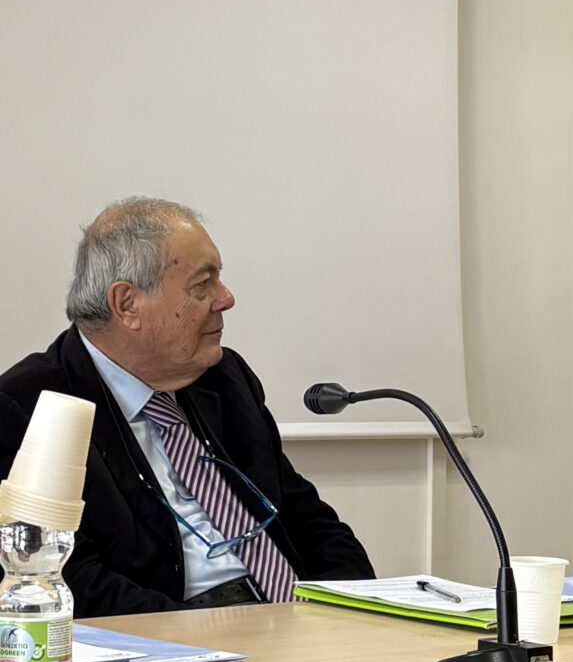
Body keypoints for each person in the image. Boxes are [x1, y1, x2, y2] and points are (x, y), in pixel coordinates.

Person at [0, 197, 374, 617]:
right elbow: (68, 580)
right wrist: (204, 636)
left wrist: (354, 607)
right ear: (127, 304)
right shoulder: (27, 407)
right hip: (172, 629)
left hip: (288, 617)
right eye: (203, 285)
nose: (226, 298)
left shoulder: (225, 377)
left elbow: (305, 516)